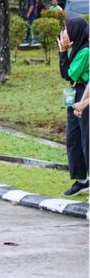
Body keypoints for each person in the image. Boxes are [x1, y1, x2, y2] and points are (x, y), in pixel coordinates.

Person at [58, 18, 89, 196]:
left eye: (66, 29)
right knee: (73, 138)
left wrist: (62, 51)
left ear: (75, 31)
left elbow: (69, 73)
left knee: (86, 138)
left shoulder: (85, 51)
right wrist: (63, 51)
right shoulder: (77, 49)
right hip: (75, 92)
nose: (64, 32)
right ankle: (81, 180)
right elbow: (68, 75)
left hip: (84, 93)